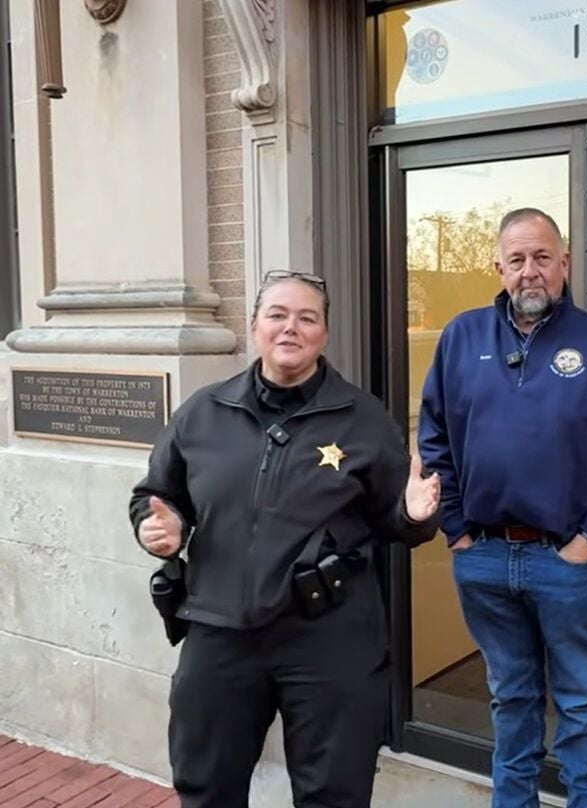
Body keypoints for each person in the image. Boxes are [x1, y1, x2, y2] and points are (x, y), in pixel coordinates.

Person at [129, 270, 441, 808]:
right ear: (255, 326)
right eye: (277, 315)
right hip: (220, 631)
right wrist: (160, 526)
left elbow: (398, 522)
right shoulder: (204, 412)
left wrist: (414, 514)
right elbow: (156, 493)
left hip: (328, 636)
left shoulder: (363, 420)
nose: (290, 327)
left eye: (306, 318)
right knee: (205, 788)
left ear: (324, 333)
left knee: (334, 795)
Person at [419, 208, 587, 807]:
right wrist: (456, 529)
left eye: (542, 258)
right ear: (498, 267)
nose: (530, 271)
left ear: (564, 263)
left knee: (580, 702)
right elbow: (434, 441)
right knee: (510, 699)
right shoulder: (461, 338)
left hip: (566, 560)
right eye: (517, 259)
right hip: (482, 556)